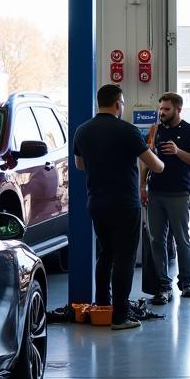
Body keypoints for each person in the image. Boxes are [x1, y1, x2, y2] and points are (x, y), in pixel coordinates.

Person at [73, 84, 165, 330]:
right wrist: (154, 155)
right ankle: (120, 317)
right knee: (124, 258)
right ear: (117, 104)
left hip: (97, 203)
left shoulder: (82, 131)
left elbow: (80, 165)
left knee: (106, 254)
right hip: (125, 204)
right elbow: (155, 166)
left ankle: (103, 308)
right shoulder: (128, 131)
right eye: (122, 103)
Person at [140, 91, 190, 304]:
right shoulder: (154, 130)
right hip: (156, 192)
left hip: (179, 193)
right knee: (156, 240)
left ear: (178, 109)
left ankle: (186, 283)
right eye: (160, 108)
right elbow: (146, 158)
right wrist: (142, 185)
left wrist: (177, 151)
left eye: (166, 109)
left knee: (181, 239)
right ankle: (163, 286)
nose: (162, 112)